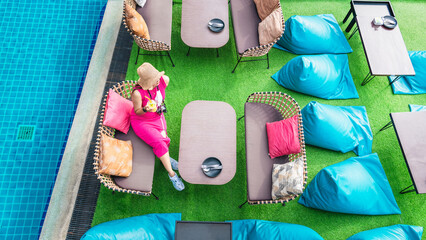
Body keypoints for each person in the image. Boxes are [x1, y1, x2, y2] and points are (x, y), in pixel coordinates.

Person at [130, 62, 184, 191]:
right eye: (154, 80)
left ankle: (166, 159)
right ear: (147, 81)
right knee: (160, 142)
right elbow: (137, 111)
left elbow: (161, 93)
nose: (157, 81)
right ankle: (172, 174)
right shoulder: (137, 93)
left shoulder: (163, 80)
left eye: (157, 78)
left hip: (158, 117)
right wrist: (145, 108)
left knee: (164, 140)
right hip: (142, 121)